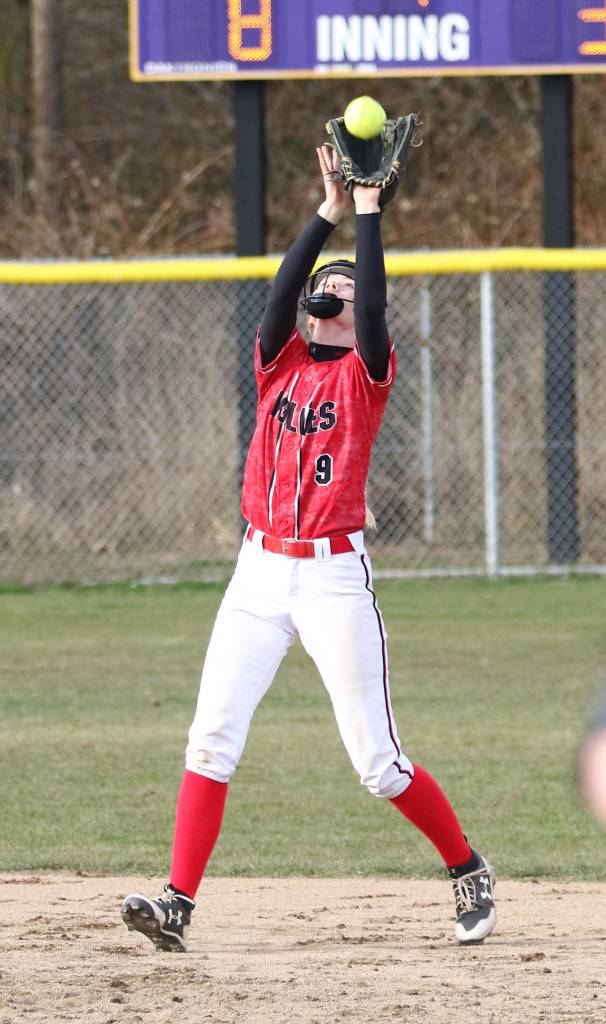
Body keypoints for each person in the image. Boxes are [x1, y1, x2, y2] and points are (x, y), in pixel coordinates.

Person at [121, 145, 496, 952]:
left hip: (331, 577)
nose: (335, 286)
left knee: (377, 763)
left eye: (347, 280)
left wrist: (368, 213)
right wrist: (326, 209)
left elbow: (374, 312)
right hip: (258, 571)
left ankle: (467, 866)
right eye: (330, 282)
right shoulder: (279, 363)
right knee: (210, 737)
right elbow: (281, 294)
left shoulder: (367, 372)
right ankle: (177, 904)